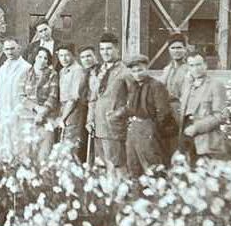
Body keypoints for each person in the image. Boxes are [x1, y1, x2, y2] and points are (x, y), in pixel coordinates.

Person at [123, 54, 176, 175]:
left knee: (152, 165)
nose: (138, 74)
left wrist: (153, 129)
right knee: (133, 164)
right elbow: (130, 108)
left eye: (140, 70)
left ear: (146, 68)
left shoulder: (156, 86)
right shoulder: (133, 87)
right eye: (134, 71)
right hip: (133, 128)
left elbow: (163, 112)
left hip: (149, 128)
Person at [87, 32, 130, 173]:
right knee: (101, 167)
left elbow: (132, 100)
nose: (105, 52)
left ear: (117, 49)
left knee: (117, 166)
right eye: (102, 49)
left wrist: (117, 115)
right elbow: (93, 98)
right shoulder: (98, 70)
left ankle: (119, 194)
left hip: (114, 128)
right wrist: (90, 119)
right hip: (98, 127)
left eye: (109, 48)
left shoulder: (125, 71)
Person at [178, 50, 228, 161]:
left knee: (205, 172)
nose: (196, 69)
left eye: (198, 64)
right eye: (192, 65)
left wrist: (197, 127)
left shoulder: (215, 85)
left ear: (205, 65)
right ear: (188, 68)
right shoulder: (187, 85)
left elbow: (220, 116)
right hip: (186, 135)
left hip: (206, 139)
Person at [0, 37, 31, 160]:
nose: (9, 52)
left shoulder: (27, 68)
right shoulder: (2, 68)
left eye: (12, 48)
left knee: (20, 149)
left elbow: (29, 94)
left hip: (19, 115)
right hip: (4, 113)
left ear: (18, 48)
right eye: (7, 49)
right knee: (3, 150)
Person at [20, 47, 60, 159]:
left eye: (46, 58)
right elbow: (21, 96)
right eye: (40, 57)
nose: (42, 60)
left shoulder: (53, 74)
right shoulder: (26, 74)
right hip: (28, 117)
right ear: (34, 57)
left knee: (44, 153)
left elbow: (53, 96)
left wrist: (42, 113)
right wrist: (36, 108)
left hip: (47, 118)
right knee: (27, 153)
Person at [55, 43, 89, 159]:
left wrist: (62, 117)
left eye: (67, 55)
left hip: (74, 111)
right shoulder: (63, 71)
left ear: (73, 55)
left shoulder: (78, 70)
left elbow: (74, 98)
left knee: (71, 146)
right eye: (61, 56)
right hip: (64, 109)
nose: (63, 59)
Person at [159, 32, 190, 125]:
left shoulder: (189, 69)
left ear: (185, 49)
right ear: (169, 50)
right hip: (168, 110)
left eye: (179, 48)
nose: (176, 51)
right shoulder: (167, 69)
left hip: (183, 110)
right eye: (173, 48)